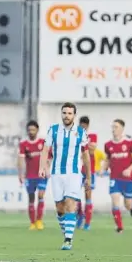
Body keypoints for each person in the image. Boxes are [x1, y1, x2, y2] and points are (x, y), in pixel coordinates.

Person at [39, 102, 91, 250]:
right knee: (60, 208)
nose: (66, 116)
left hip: (74, 174)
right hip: (56, 174)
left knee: (70, 203)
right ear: (61, 114)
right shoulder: (53, 130)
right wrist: (42, 167)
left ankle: (68, 239)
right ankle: (66, 232)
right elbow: (45, 149)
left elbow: (86, 156)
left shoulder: (81, 132)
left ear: (74, 115)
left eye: (69, 113)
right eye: (64, 113)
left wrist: (88, 176)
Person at [100, 119, 132, 233]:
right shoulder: (108, 145)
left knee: (128, 204)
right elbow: (108, 159)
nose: (114, 129)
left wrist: (129, 169)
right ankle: (119, 227)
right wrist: (103, 168)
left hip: (128, 179)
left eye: (116, 127)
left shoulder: (129, 143)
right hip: (114, 178)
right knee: (115, 200)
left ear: (122, 129)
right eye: (113, 127)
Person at [18, 120, 49, 230]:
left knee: (40, 195)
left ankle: (39, 221)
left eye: (33, 129)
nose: (31, 132)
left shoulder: (43, 142)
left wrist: (48, 169)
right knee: (31, 199)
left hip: (42, 175)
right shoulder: (23, 144)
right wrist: (21, 174)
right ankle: (32, 223)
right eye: (29, 130)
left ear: (37, 130)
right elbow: (21, 160)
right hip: (30, 176)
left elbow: (49, 157)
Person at [77, 116, 97, 230]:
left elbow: (92, 149)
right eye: (81, 126)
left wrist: (84, 147)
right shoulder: (75, 136)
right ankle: (80, 217)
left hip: (90, 170)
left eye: (85, 126)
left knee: (88, 195)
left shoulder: (92, 136)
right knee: (76, 196)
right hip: (78, 171)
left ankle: (87, 223)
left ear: (88, 126)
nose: (83, 127)